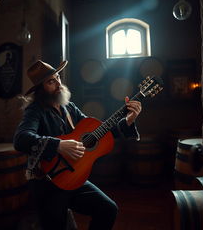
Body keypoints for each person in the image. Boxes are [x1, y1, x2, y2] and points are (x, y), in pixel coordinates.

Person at [14, 60, 142, 230]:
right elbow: (21, 139)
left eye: (57, 77)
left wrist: (127, 121)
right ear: (40, 89)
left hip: (74, 178)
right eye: (51, 81)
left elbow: (97, 133)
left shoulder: (69, 108)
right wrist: (58, 145)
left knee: (108, 209)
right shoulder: (35, 110)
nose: (58, 83)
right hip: (48, 184)